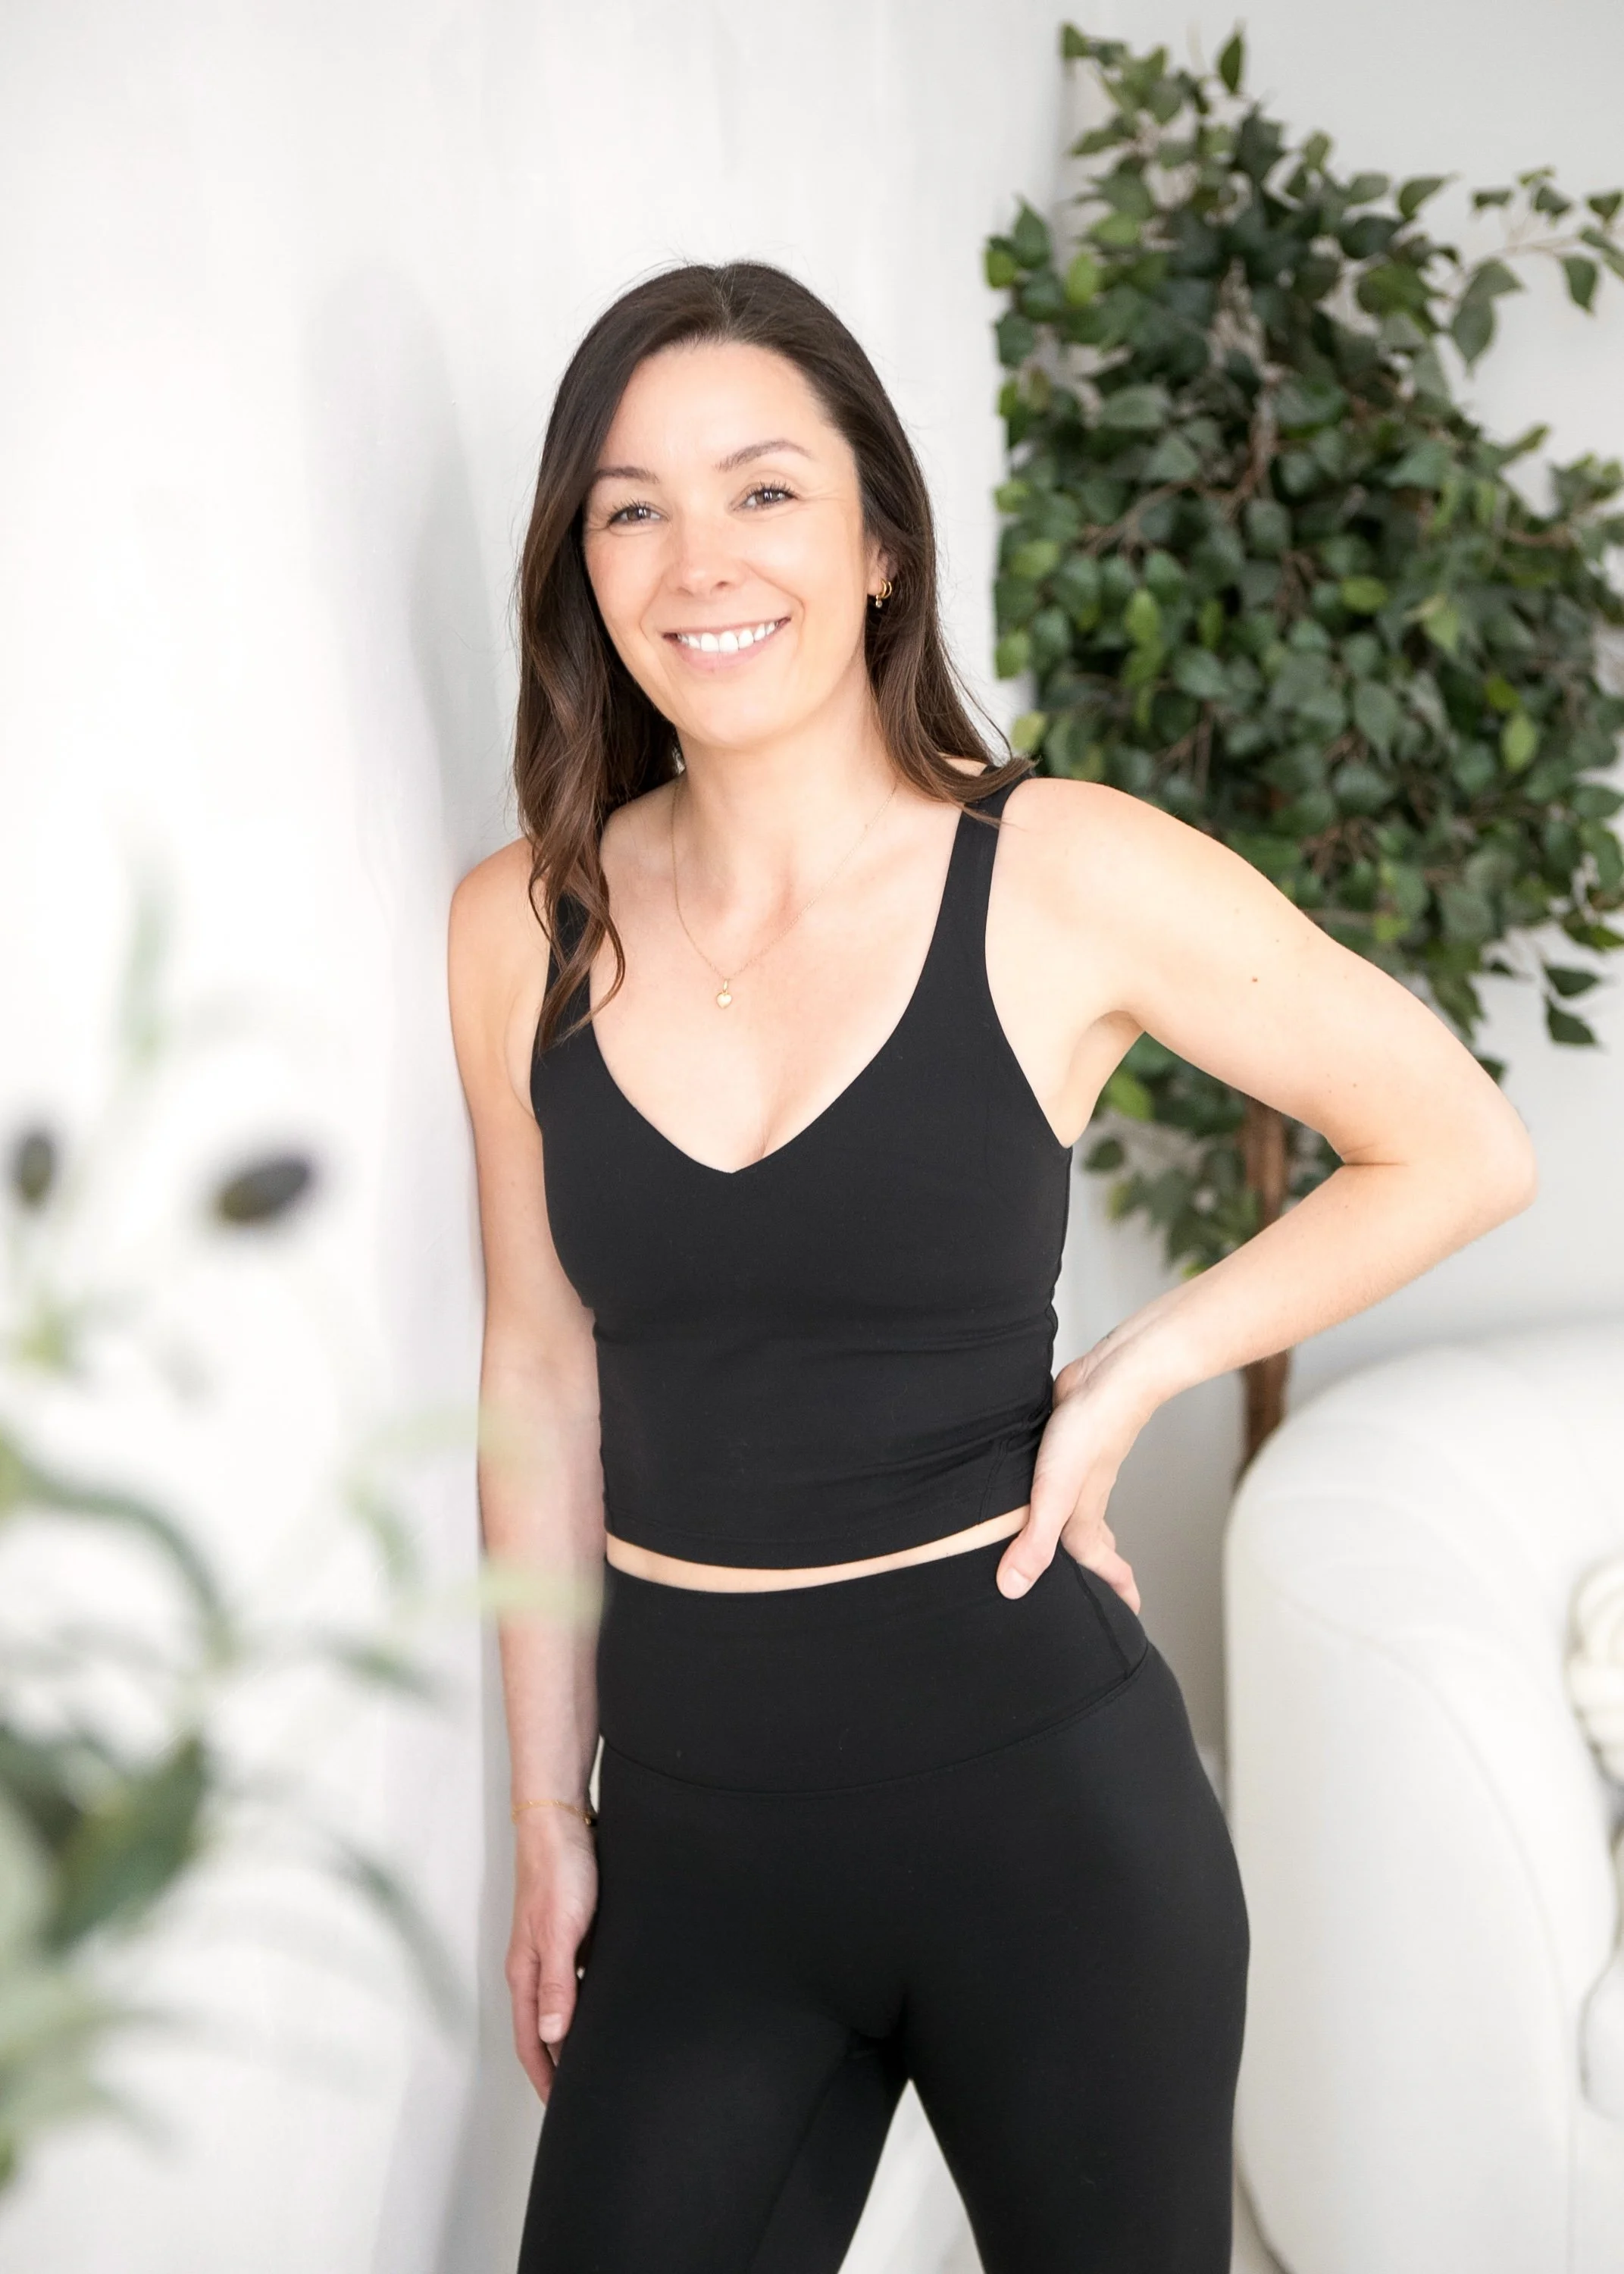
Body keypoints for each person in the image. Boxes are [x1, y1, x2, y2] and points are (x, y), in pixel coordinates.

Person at [447, 259, 1538, 2273]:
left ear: (876, 541)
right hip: (689, 1834)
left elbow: (1458, 1142)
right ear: (578, 566)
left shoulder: (1059, 871)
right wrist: (548, 1816)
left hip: (1046, 1817)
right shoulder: (526, 921)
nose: (699, 560)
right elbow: (534, 1370)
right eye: (630, 507)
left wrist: (1131, 1371)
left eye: (762, 490)